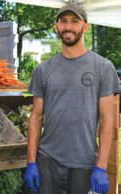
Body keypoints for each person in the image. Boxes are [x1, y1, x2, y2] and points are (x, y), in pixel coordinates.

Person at [24, 3, 120, 194]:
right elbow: (36, 117)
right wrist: (31, 162)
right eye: (63, 21)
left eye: (75, 21)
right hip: (47, 160)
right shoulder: (44, 70)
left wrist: (101, 167)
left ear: (86, 26)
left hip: (83, 162)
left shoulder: (103, 67)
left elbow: (108, 119)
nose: (68, 26)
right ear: (56, 26)